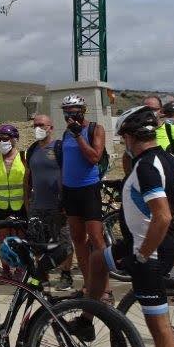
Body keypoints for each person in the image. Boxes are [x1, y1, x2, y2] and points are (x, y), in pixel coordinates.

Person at [101, 105, 174, 347]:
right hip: (147, 243)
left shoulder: (145, 167)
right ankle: (90, 311)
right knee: (102, 259)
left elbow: (163, 215)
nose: (123, 142)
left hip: (148, 253)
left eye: (123, 136)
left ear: (131, 136)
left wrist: (143, 252)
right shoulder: (171, 159)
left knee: (160, 328)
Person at [58, 95, 108, 299]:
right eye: (67, 111)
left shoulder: (95, 128)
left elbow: (94, 157)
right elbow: (65, 164)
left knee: (96, 238)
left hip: (89, 189)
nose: (70, 114)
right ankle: (88, 286)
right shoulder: (65, 133)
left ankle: (105, 288)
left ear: (83, 110)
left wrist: (79, 136)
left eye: (75, 110)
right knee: (78, 239)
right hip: (70, 191)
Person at [23, 112, 74, 289]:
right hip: (37, 206)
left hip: (58, 206)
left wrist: (67, 201)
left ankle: (66, 275)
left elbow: (68, 174)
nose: (38, 129)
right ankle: (42, 276)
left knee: (64, 242)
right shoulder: (31, 150)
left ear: (51, 128)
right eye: (35, 125)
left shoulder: (59, 148)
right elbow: (27, 177)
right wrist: (27, 201)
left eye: (41, 125)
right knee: (37, 242)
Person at [0, 124, 26, 267]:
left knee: (19, 238)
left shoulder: (23, 157)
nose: (2, 142)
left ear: (14, 139)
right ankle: (6, 270)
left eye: (6, 138)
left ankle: (20, 268)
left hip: (20, 206)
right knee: (3, 238)